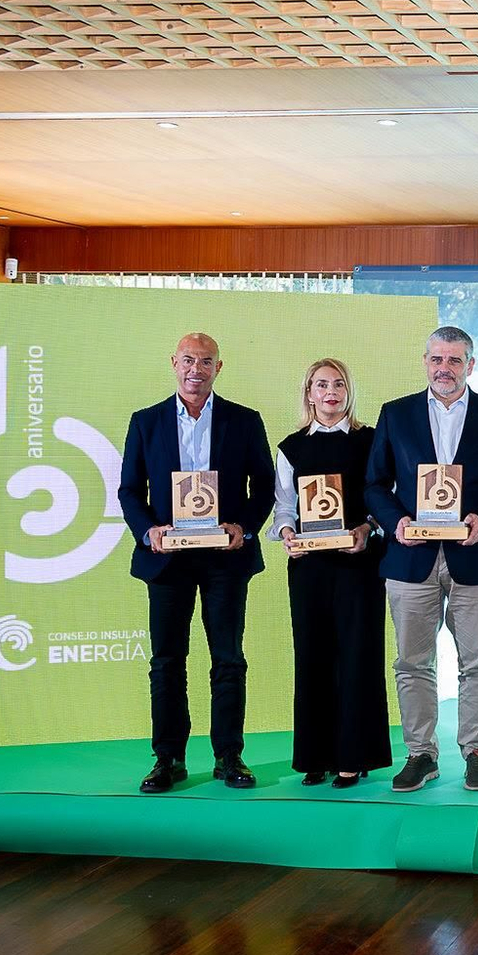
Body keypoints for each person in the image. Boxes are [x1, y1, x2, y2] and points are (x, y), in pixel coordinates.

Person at [365, 326, 478, 795]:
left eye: (455, 361)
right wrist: (396, 522)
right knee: (413, 662)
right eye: (437, 359)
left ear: (470, 365)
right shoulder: (396, 414)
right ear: (425, 361)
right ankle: (421, 754)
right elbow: (375, 484)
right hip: (410, 558)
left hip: (473, 557)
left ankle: (477, 752)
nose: (445, 369)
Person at [117, 332, 275, 794]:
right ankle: (168, 758)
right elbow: (129, 491)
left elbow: (264, 487)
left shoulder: (244, 421)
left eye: (206, 362)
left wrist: (242, 528)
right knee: (167, 660)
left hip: (225, 559)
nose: (196, 369)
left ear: (218, 368)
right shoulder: (145, 422)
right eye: (188, 360)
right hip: (167, 560)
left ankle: (230, 756)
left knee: (228, 658)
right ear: (174, 363)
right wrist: (150, 532)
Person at [270, 358, 391, 788]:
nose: (330, 392)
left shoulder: (371, 440)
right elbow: (284, 505)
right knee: (313, 655)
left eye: (338, 384)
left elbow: (385, 499)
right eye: (321, 384)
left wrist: (368, 528)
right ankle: (315, 756)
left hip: (359, 562)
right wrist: (287, 532)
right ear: (308, 392)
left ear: (349, 390)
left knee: (358, 655)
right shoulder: (290, 447)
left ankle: (353, 756)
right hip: (309, 565)